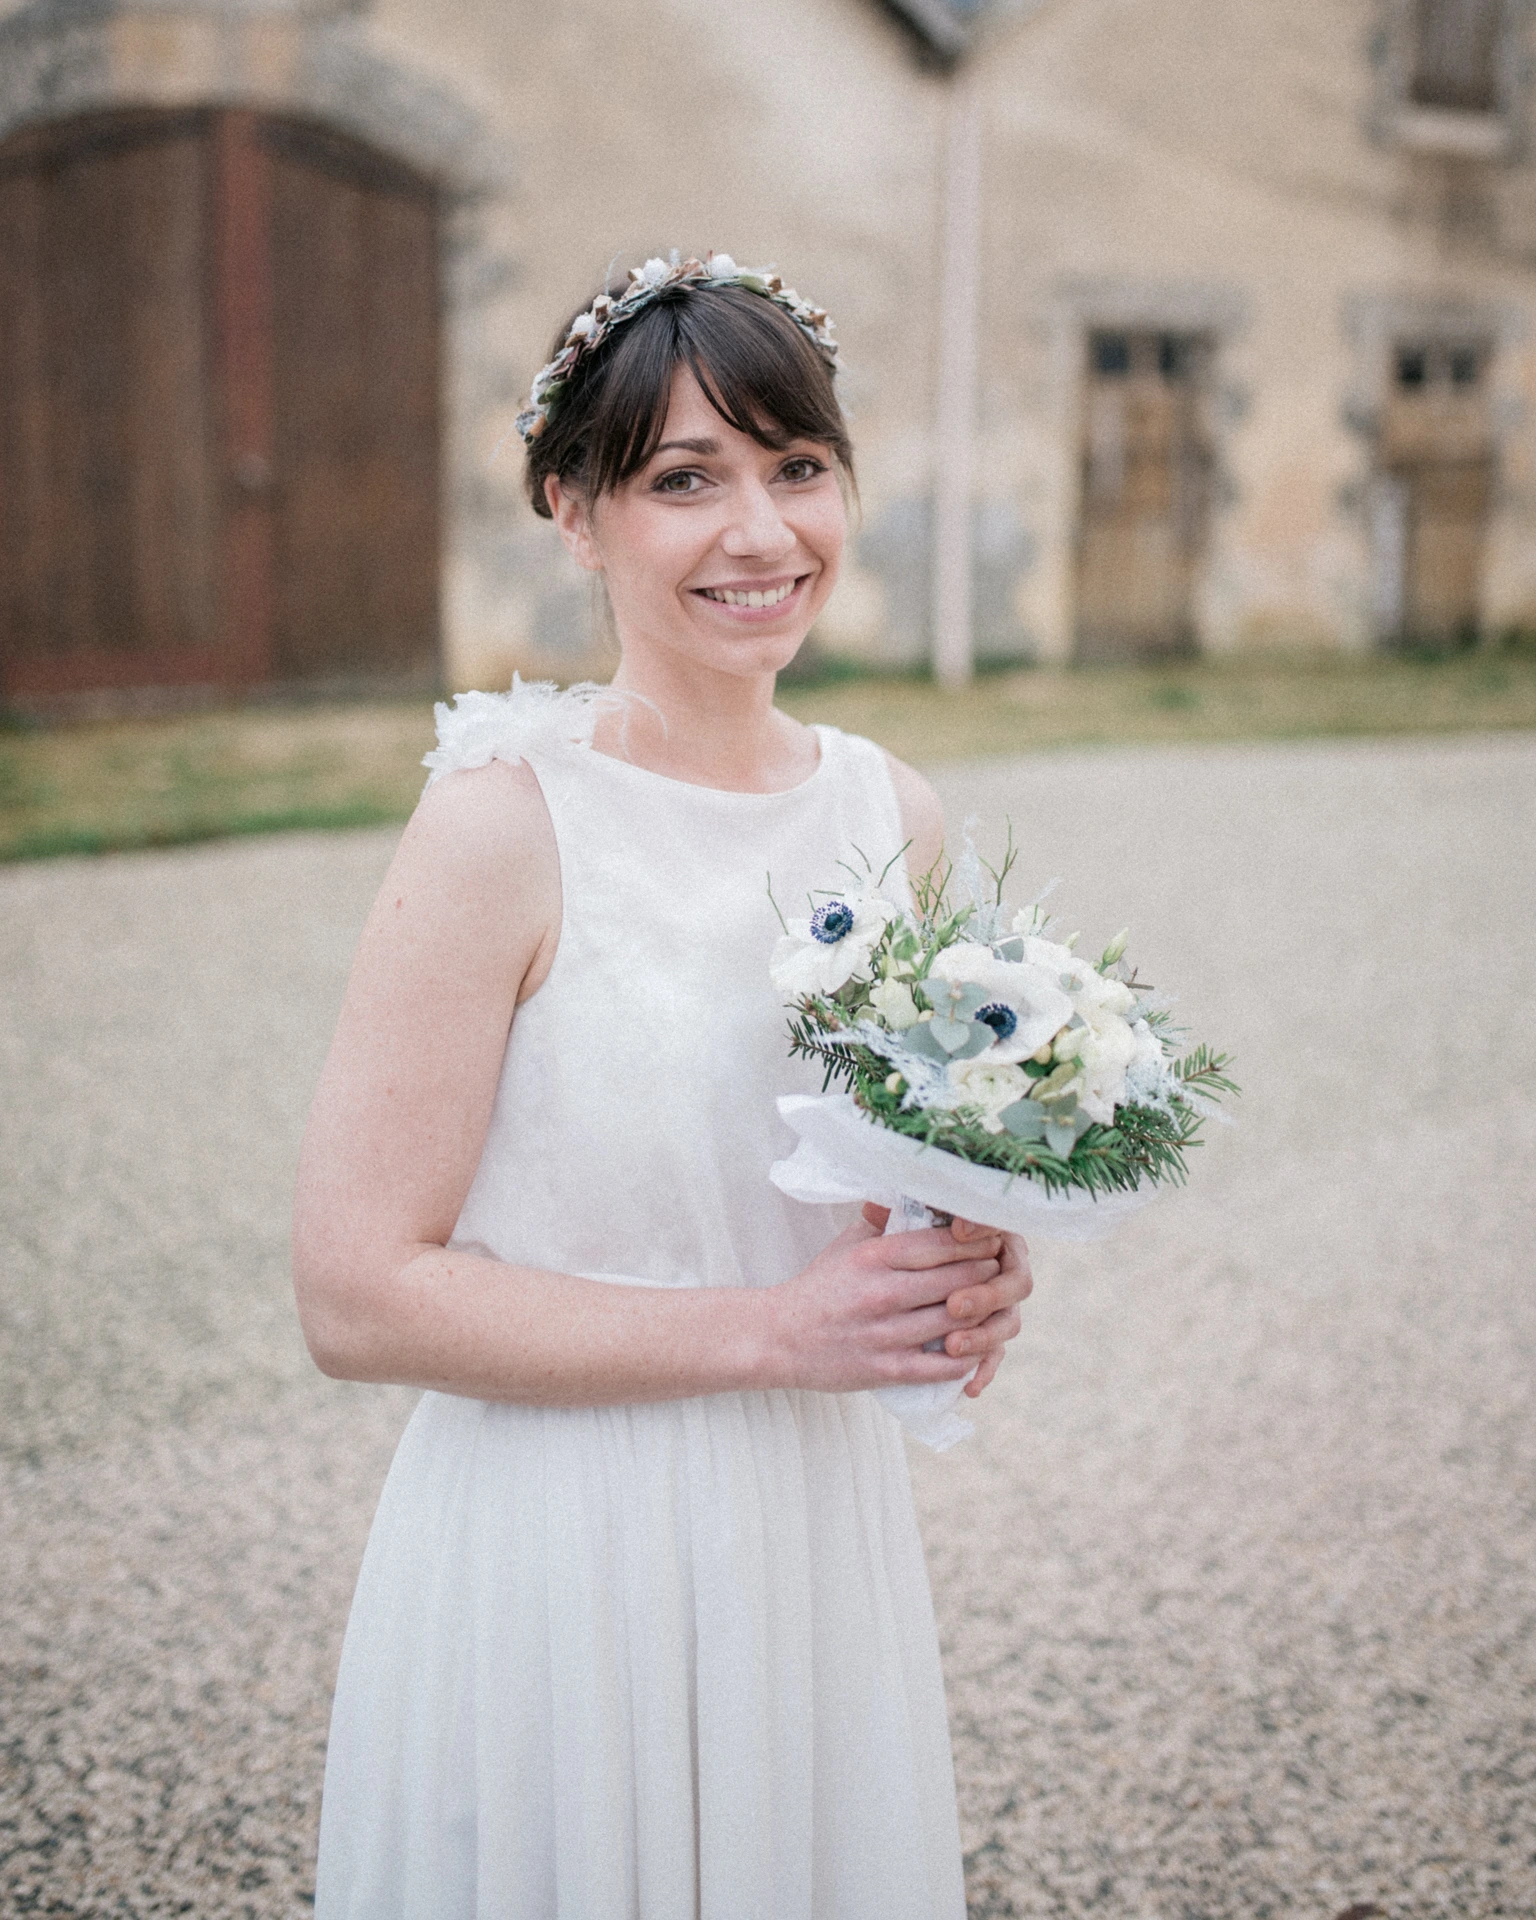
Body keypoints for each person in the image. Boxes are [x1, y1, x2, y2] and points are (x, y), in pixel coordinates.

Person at [292, 252, 1033, 1920]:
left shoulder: (892, 817)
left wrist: (965, 1264)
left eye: (798, 467)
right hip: (565, 1541)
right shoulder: (502, 824)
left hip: (810, 1527)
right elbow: (353, 1293)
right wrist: (775, 1331)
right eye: (686, 480)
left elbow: (883, 1180)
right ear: (576, 512)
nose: (762, 533)